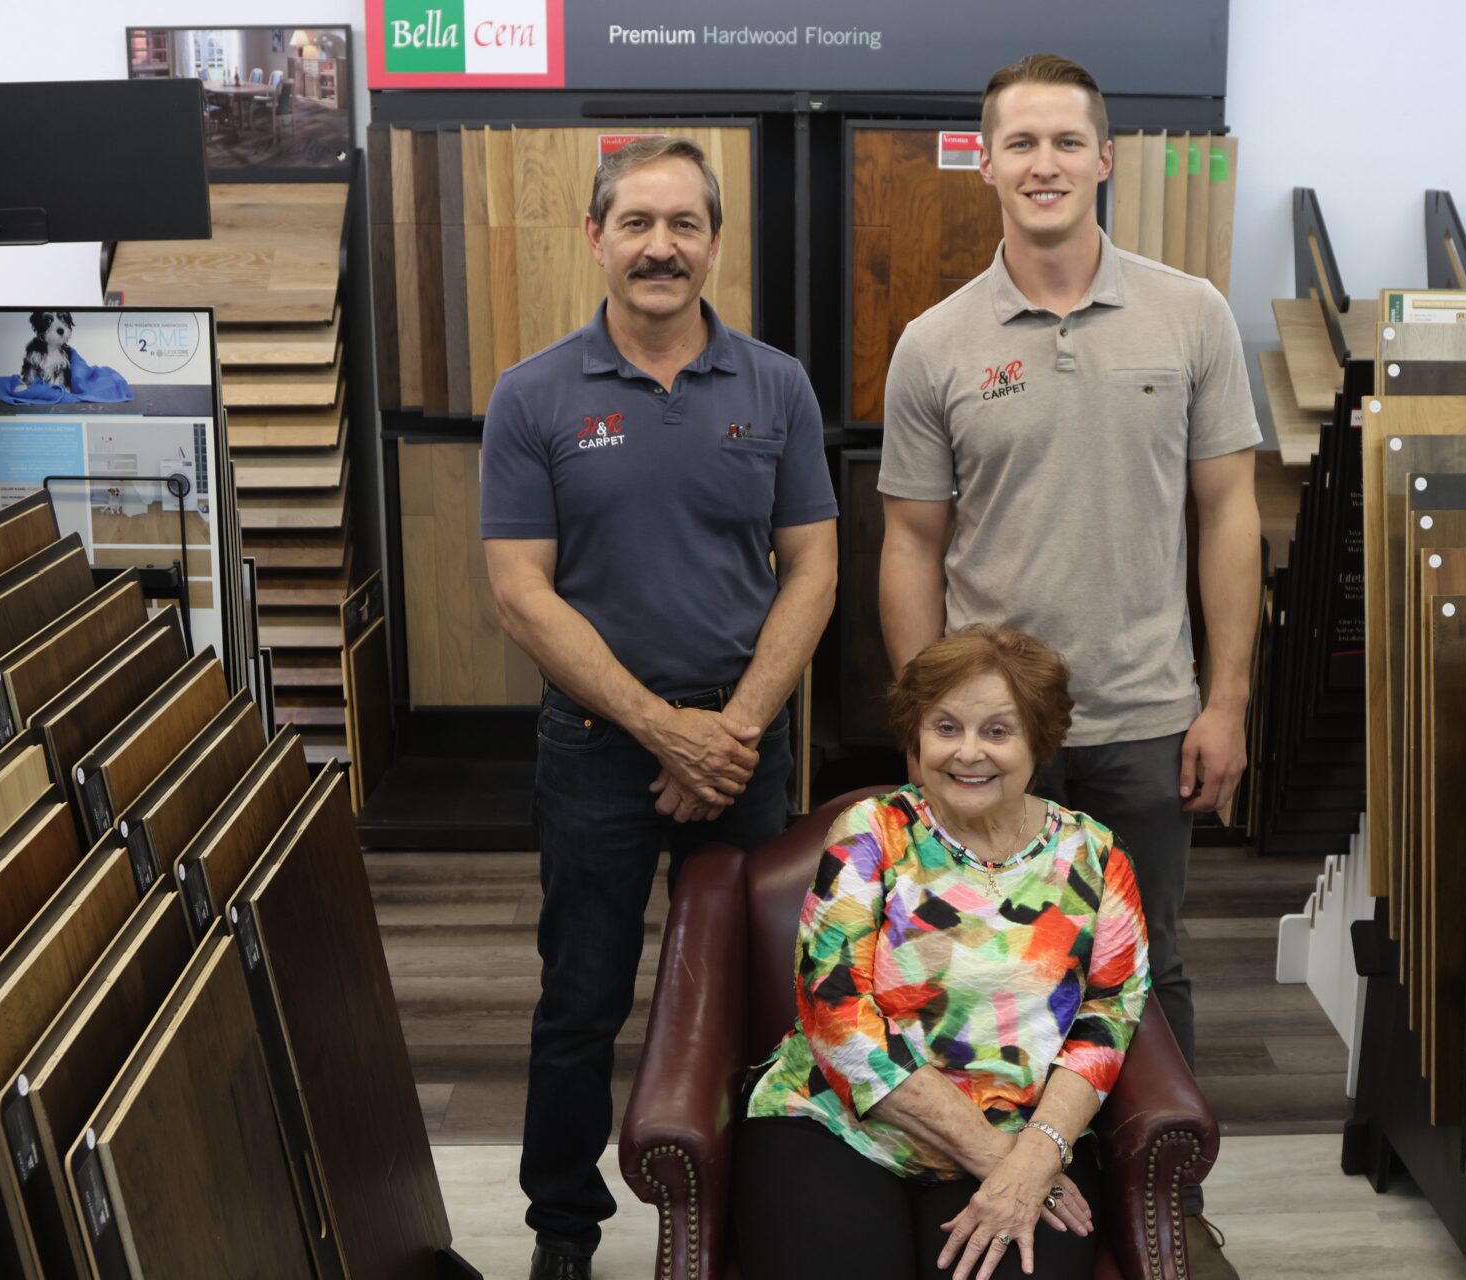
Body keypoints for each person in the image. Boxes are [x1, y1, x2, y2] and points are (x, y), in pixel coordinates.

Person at [481, 135, 839, 1280]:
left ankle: (751, 1211)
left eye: (685, 224)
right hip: (596, 750)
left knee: (758, 988)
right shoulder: (532, 394)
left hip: (743, 746)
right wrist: (659, 726)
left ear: (715, 243)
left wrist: (725, 734)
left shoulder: (777, 382)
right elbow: (520, 595)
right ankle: (563, 1231)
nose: (660, 246)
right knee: (580, 996)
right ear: (595, 236)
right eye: (637, 222)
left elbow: (814, 570)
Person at [877, 53, 1262, 1095]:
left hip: (1147, 719)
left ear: (1102, 158)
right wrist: (930, 721)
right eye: (1020, 143)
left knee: (1149, 966)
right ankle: (1001, 1185)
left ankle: (1160, 1207)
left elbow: (1230, 512)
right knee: (989, 961)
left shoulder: (1193, 316)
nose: (1042, 163)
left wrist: (1225, 701)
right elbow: (911, 540)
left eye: (1063, 143)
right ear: (987, 165)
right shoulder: (933, 342)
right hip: (987, 732)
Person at [736, 625, 1150, 1280]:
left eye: (997, 731)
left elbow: (1108, 1024)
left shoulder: (1095, 856)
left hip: (1026, 1136)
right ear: (917, 735)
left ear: (1040, 741)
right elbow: (837, 1020)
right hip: (837, 1125)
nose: (967, 753)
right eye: (946, 727)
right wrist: (1000, 1159)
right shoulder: (870, 834)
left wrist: (1039, 1155)